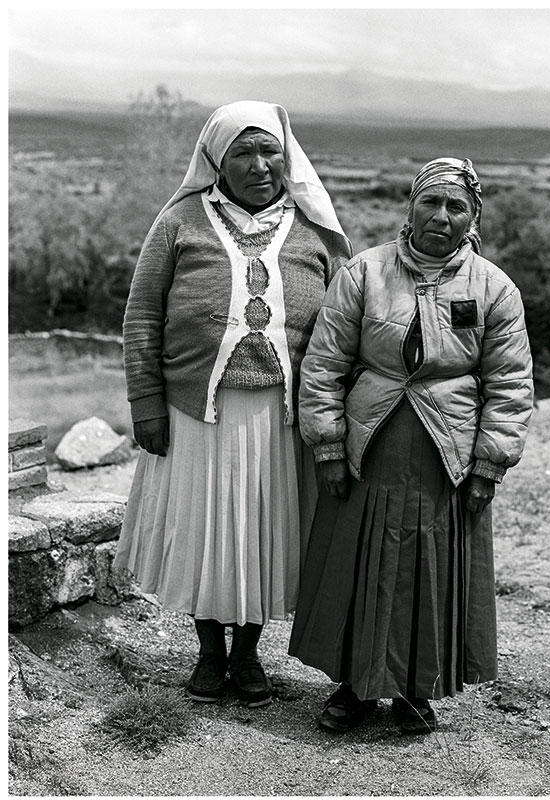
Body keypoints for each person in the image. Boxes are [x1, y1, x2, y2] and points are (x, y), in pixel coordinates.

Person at [114, 101, 351, 708]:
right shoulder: (179, 223)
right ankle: (209, 650)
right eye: (243, 152)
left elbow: (344, 328)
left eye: (269, 150)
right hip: (196, 411)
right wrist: (146, 402)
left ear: (286, 157)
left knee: (261, 533)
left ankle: (247, 653)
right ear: (217, 161)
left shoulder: (314, 230)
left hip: (281, 417)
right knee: (205, 532)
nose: (259, 164)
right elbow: (142, 314)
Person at [288, 157, 533, 734]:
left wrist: (487, 466)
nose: (442, 217)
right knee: (360, 565)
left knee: (427, 570)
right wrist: (327, 446)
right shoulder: (364, 273)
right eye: (432, 202)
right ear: (411, 206)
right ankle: (353, 687)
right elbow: (324, 365)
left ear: (472, 218)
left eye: (457, 207)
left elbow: (510, 385)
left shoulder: (494, 288)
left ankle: (414, 690)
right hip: (367, 448)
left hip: (445, 459)